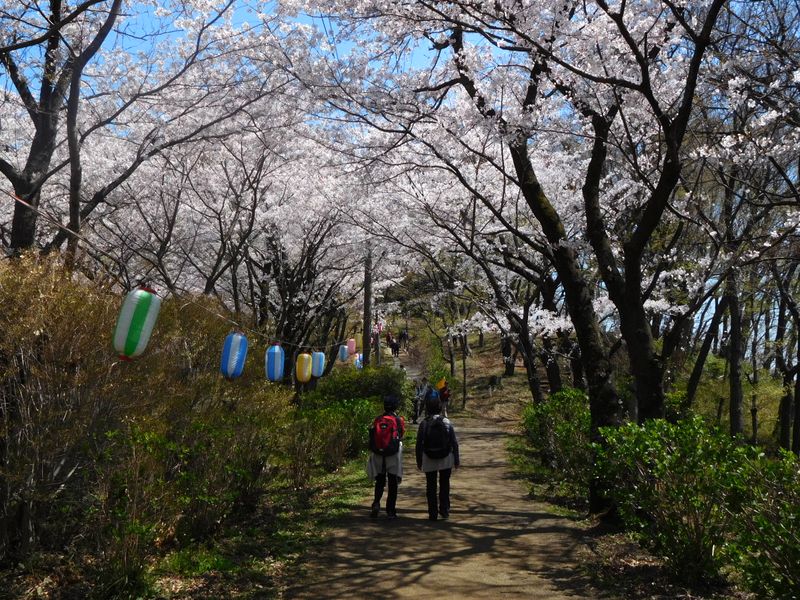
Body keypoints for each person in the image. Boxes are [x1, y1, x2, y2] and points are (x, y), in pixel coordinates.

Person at [416, 389, 459, 521]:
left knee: (431, 486)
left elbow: (419, 444)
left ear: (427, 409)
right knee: (444, 484)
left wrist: (419, 461)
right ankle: (444, 510)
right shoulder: (446, 421)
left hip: (429, 458)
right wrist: (456, 459)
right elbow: (454, 441)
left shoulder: (424, 423)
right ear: (440, 408)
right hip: (446, 458)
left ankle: (432, 513)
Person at [367, 394, 405, 519]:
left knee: (380, 481)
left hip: (378, 454)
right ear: (395, 406)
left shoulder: (378, 419)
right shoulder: (398, 420)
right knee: (392, 483)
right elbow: (401, 434)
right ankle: (390, 511)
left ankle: (376, 503)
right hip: (393, 455)